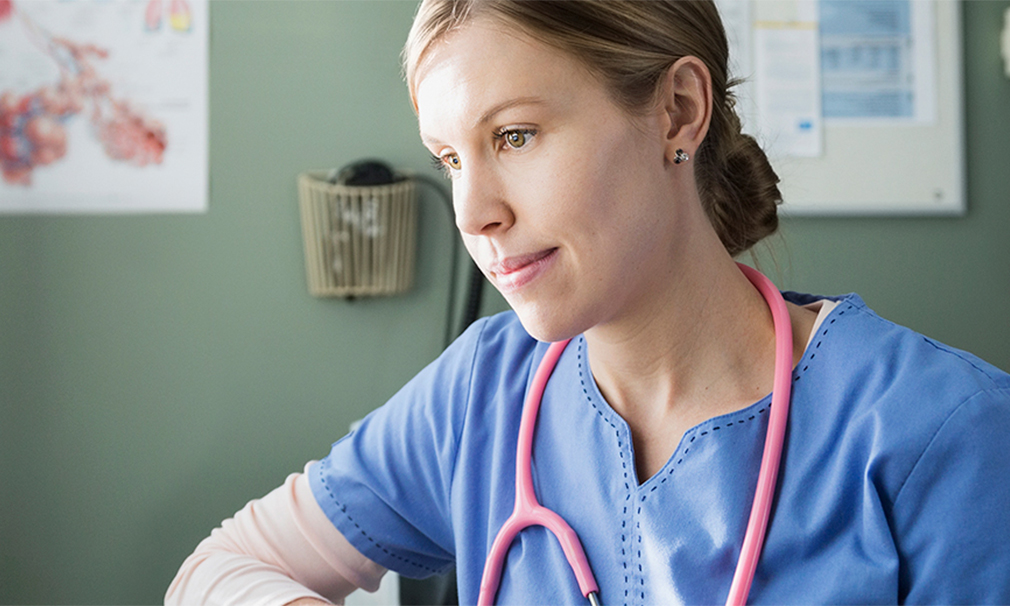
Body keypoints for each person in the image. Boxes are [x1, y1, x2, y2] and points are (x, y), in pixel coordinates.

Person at [166, 1, 1010, 604]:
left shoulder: (943, 431)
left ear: (678, 111)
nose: (472, 213)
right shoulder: (483, 395)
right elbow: (215, 571)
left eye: (515, 136)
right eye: (451, 158)